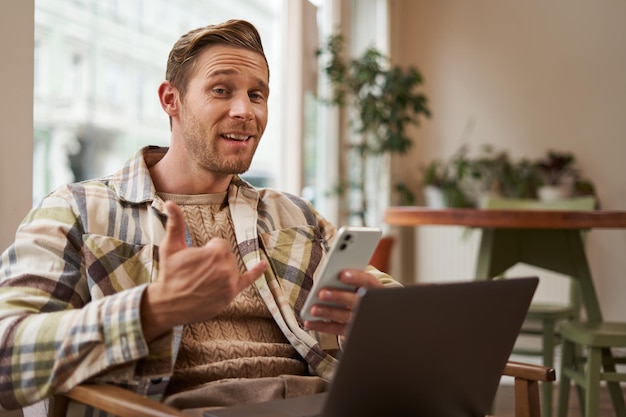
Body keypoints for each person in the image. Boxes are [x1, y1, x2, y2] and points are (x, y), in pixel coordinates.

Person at [0, 19, 400, 415]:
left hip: (323, 403)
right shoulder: (78, 210)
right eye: (221, 90)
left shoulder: (293, 214)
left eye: (257, 95)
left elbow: (412, 315)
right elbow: (6, 358)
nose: (245, 111)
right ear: (170, 100)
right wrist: (151, 311)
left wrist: (383, 318)